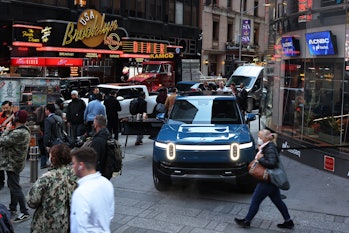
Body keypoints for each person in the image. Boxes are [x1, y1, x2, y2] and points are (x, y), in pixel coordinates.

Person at [234, 129, 294, 229]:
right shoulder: (266, 146)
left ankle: (247, 221)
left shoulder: (269, 148)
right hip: (271, 180)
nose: (258, 139)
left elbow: (272, 163)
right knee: (278, 201)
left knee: (255, 200)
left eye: (260, 137)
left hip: (267, 180)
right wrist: (259, 151)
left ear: (266, 138)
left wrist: (260, 158)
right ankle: (288, 221)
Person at [26, 144, 77, 233]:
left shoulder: (46, 178)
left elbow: (32, 201)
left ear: (53, 158)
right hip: (69, 223)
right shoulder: (75, 174)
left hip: (47, 224)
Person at [70, 147, 114, 232]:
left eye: (73, 163)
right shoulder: (106, 183)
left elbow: (78, 226)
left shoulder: (81, 192)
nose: (72, 167)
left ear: (81, 166)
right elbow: (110, 214)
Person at [0, 110, 31, 223]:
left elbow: (2, 141)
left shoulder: (18, 133)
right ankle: (12, 208)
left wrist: (7, 130)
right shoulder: (23, 130)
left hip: (12, 163)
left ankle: (24, 211)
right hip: (15, 162)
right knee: (13, 185)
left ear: (16, 119)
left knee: (15, 187)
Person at [90, 115, 112, 179]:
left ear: (96, 125)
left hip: (99, 174)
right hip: (107, 170)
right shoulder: (107, 135)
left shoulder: (98, 140)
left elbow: (95, 159)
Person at [0, 101, 15, 190]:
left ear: (11, 107)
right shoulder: (0, 115)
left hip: (11, 142)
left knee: (10, 163)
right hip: (2, 141)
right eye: (4, 108)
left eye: (7, 108)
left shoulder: (15, 116)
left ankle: (11, 181)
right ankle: (1, 181)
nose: (5, 110)